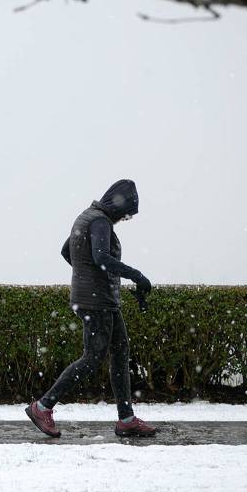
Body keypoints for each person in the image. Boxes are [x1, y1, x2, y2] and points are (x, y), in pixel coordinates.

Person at [25, 179, 157, 438]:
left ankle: (126, 419)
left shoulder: (88, 216)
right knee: (92, 358)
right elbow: (101, 258)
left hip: (100, 299)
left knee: (120, 352)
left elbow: (67, 251)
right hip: (96, 301)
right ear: (118, 205)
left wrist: (85, 276)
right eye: (127, 214)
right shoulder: (100, 221)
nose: (125, 219)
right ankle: (42, 407)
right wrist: (136, 275)